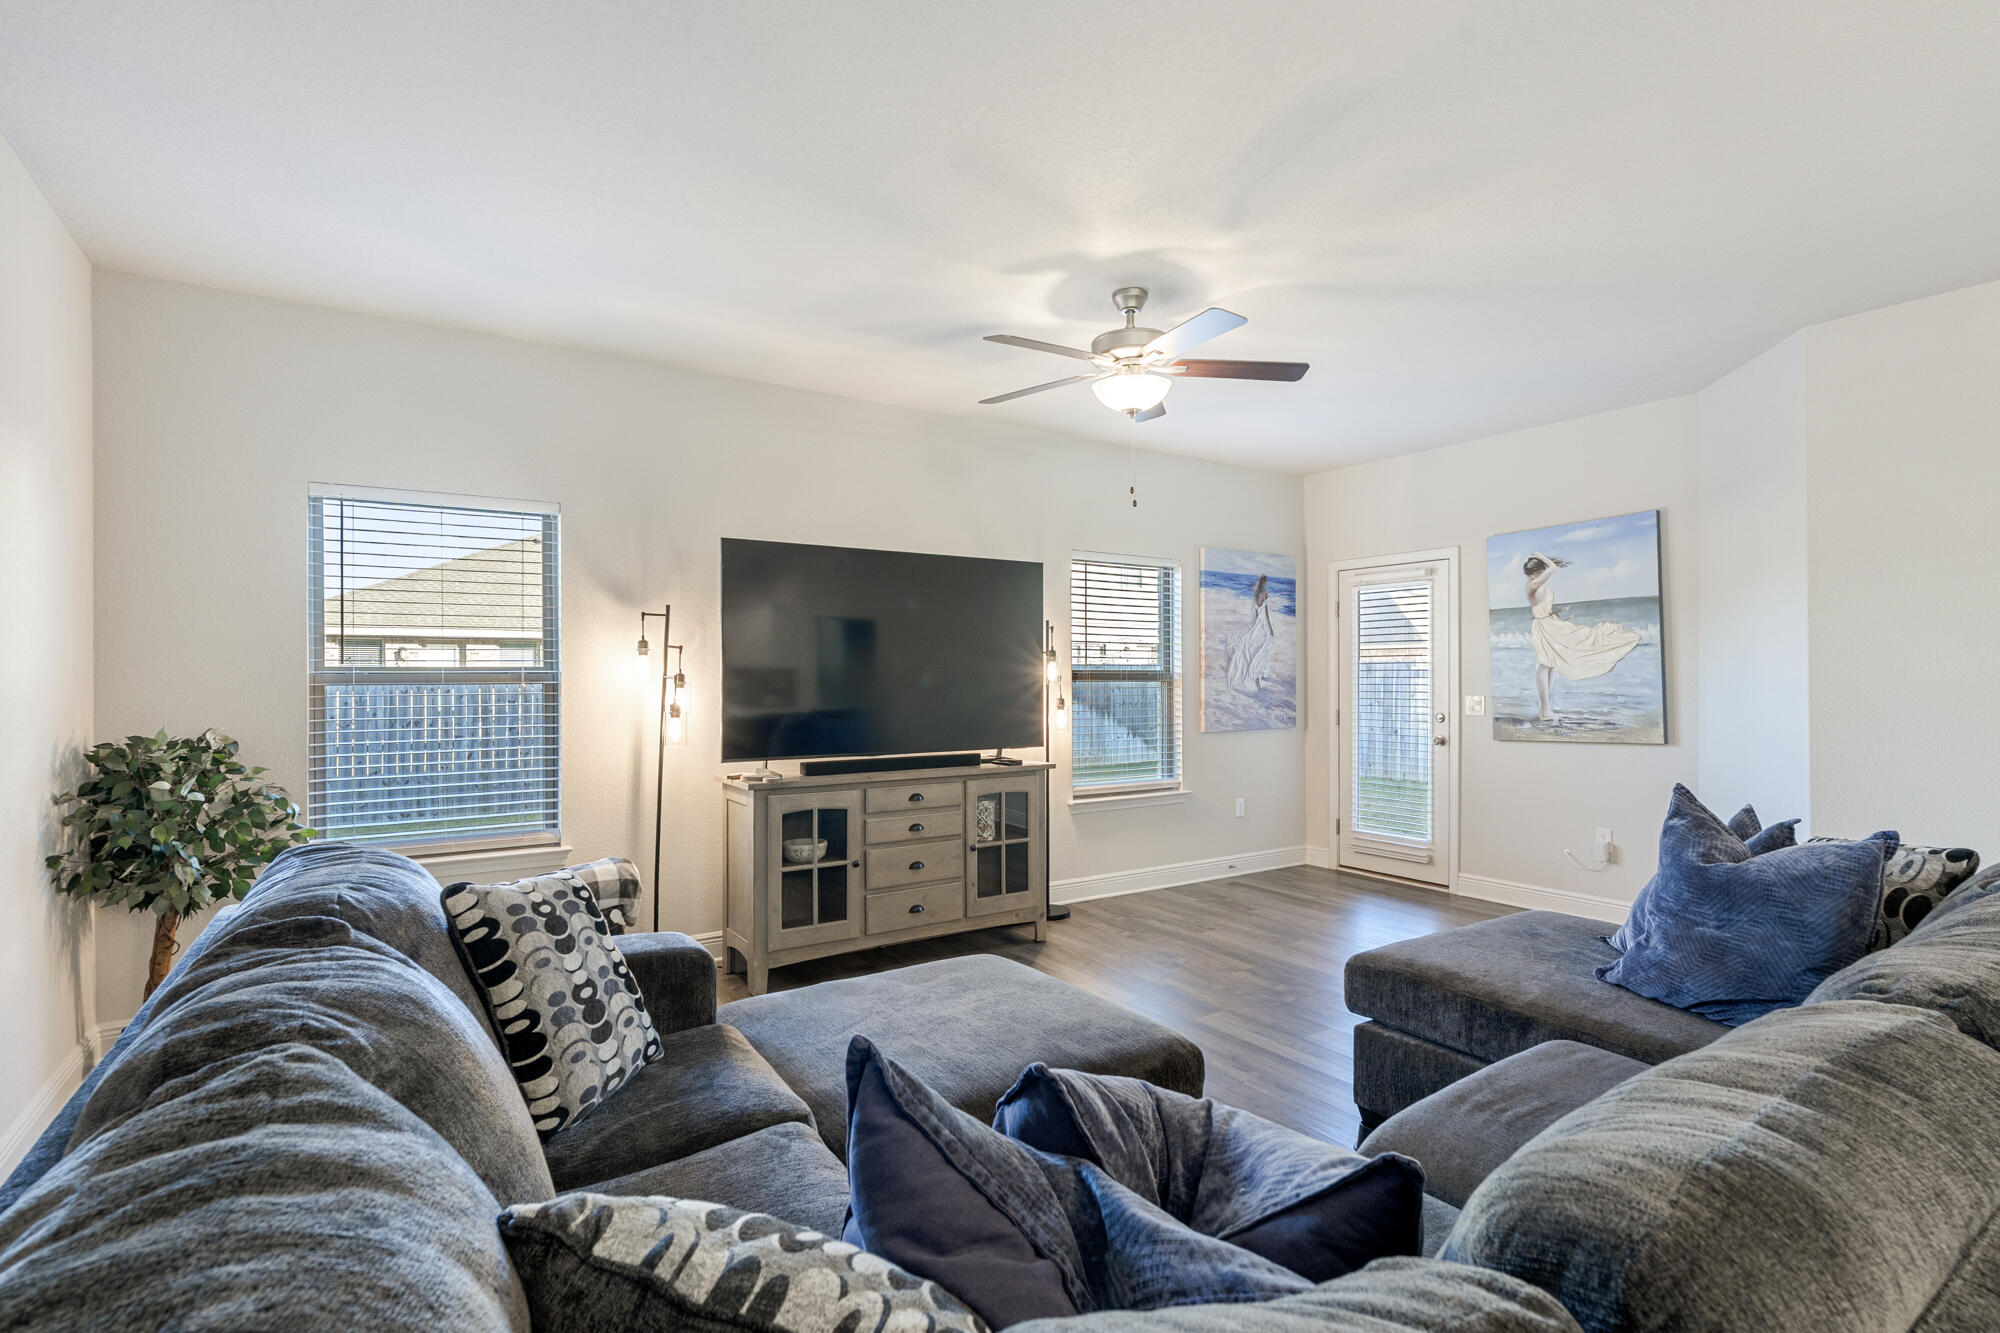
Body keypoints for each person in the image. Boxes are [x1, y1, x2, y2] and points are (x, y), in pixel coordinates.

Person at [1523, 553, 1641, 721]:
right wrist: (1540, 556)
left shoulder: (1533, 583)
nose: (1543, 575)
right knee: (1544, 664)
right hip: (1543, 626)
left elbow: (1545, 571)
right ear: (1535, 573)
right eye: (1540, 572)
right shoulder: (1533, 585)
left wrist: (1532, 559)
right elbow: (1553, 568)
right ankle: (1545, 709)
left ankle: (1545, 708)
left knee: (1552, 663)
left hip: (1551, 623)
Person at [1227, 574, 1274, 693]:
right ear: (1265, 583)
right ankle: (1258, 674)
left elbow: (1257, 612)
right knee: (1263, 648)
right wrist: (1270, 628)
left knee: (1254, 648)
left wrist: (1255, 625)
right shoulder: (1265, 593)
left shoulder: (1255, 592)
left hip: (1258, 624)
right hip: (1262, 625)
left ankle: (1258, 673)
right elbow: (1266, 613)